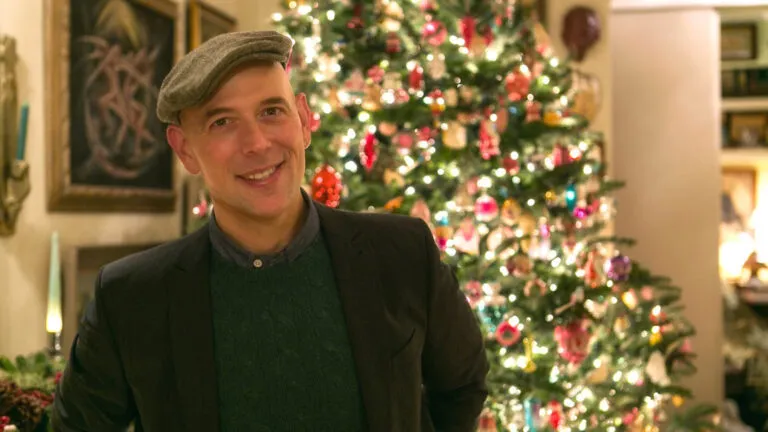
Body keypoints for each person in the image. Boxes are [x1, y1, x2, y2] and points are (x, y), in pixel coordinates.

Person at [51, 30, 489, 431]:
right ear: (185, 150)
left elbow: (462, 385)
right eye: (222, 122)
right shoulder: (131, 296)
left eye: (271, 111)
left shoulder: (402, 253)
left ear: (303, 120)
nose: (257, 143)